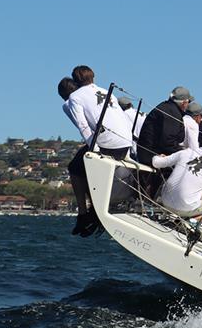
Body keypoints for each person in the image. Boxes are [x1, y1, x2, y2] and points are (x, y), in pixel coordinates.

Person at [64, 66, 133, 235]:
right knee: (83, 165)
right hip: (125, 142)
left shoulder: (75, 97)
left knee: (74, 168)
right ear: (93, 77)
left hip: (108, 145)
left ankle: (85, 213)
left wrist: (93, 149)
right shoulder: (107, 92)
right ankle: (94, 210)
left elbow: (82, 125)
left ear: (75, 80)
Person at [136, 86, 193, 166]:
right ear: (184, 103)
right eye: (189, 102)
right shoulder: (173, 113)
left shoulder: (167, 107)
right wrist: (184, 152)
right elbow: (168, 142)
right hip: (150, 155)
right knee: (188, 163)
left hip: (147, 151)